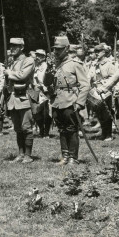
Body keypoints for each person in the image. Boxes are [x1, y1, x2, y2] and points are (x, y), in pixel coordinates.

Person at [50, 36, 91, 164]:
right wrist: (47, 71)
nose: (56, 52)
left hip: (70, 100)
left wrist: (79, 102)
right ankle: (65, 156)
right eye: (55, 49)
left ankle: (73, 157)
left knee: (71, 129)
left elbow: (85, 85)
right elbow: (47, 83)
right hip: (57, 101)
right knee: (61, 129)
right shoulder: (55, 65)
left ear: (67, 49)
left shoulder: (75, 65)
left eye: (59, 49)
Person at [4, 38, 36, 163]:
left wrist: (9, 72)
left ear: (22, 47)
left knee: (26, 127)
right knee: (18, 128)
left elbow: (22, 75)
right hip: (13, 98)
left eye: (15, 46)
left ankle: (28, 155)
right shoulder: (12, 61)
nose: (12, 48)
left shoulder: (28, 60)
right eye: (11, 46)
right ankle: (20, 154)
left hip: (24, 97)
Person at [91, 44, 117, 142]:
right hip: (96, 91)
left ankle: (108, 134)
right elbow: (90, 76)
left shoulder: (109, 64)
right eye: (95, 52)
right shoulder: (94, 64)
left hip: (106, 91)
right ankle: (103, 132)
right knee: (99, 113)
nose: (96, 54)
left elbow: (114, 77)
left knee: (107, 113)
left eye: (99, 52)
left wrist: (104, 85)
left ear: (103, 52)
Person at [32, 49, 51, 138]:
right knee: (36, 113)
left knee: (46, 113)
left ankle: (46, 132)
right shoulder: (34, 66)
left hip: (45, 91)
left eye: (40, 55)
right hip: (35, 90)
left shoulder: (47, 67)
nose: (37, 57)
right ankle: (41, 130)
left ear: (44, 57)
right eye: (37, 55)